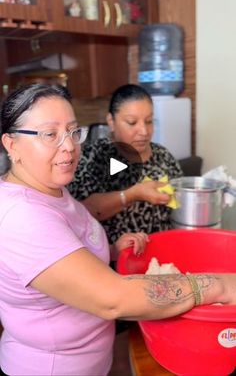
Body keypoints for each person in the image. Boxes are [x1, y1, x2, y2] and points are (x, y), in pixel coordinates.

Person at [1, 83, 236, 376]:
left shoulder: (54, 190)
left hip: (114, 317)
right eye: (50, 134)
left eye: (74, 132)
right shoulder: (25, 213)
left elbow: (71, 236)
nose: (69, 145)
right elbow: (112, 298)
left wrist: (112, 248)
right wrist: (222, 285)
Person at [68, 83, 183, 246]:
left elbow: (179, 208)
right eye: (132, 122)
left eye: (149, 121)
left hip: (161, 258)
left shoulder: (163, 156)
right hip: (114, 261)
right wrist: (133, 194)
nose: (144, 131)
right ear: (111, 121)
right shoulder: (92, 157)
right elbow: (81, 212)